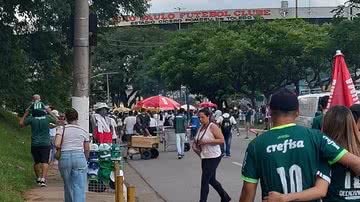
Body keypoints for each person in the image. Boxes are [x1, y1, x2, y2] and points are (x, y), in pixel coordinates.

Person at [239, 89, 360, 202]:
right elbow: (356, 163)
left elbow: (247, 191)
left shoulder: (255, 145)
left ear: (270, 112)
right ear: (297, 112)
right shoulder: (316, 138)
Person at [195, 108, 231, 202]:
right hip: (205, 156)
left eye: (202, 117)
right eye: (199, 117)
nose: (200, 119)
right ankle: (225, 197)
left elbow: (221, 140)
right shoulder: (201, 127)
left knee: (204, 181)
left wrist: (207, 141)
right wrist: (195, 145)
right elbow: (198, 140)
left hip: (214, 156)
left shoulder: (212, 126)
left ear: (208, 116)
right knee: (211, 180)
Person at [56, 108, 90, 202]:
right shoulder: (83, 130)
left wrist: (59, 148)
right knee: (79, 186)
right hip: (79, 157)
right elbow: (87, 148)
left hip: (64, 157)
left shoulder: (61, 129)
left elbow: (57, 143)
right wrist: (85, 159)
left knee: (68, 185)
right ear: (77, 118)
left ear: (66, 118)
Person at [19, 104, 57, 187]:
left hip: (35, 143)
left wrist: (25, 114)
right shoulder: (47, 118)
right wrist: (49, 112)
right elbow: (56, 120)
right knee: (45, 161)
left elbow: (21, 124)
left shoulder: (31, 119)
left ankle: (38, 178)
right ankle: (43, 179)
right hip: (45, 143)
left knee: (36, 162)